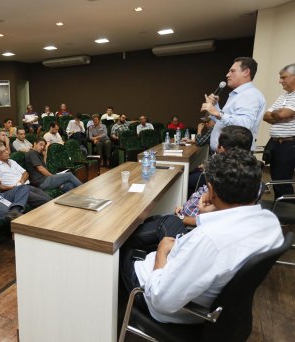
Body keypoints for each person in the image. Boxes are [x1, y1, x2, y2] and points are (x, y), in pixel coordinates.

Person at [119, 148, 283, 324]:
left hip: (152, 292)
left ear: (211, 191)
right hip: (194, 285)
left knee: (120, 250)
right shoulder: (270, 222)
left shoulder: (209, 240)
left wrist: (161, 253)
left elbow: (161, 301)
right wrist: (209, 214)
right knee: (165, 224)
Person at [181, 125, 253, 226]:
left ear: (222, 149)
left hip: (190, 222)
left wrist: (181, 218)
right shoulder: (248, 172)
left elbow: (212, 220)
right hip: (188, 213)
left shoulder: (228, 179)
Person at [201, 57, 265, 152]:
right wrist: (215, 106)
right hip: (227, 154)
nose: (227, 75)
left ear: (246, 72)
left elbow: (245, 125)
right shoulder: (238, 95)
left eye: (232, 71)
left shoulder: (250, 95)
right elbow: (224, 122)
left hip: (236, 157)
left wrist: (218, 113)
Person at [262, 63, 295, 199]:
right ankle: (279, 210)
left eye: (283, 77)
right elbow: (265, 116)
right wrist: (279, 113)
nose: (280, 81)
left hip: (289, 144)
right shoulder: (283, 96)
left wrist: (278, 114)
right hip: (276, 144)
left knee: (282, 181)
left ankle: (288, 215)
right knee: (276, 179)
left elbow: (282, 115)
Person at [0, 143, 51, 208]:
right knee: (45, 201)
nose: (7, 152)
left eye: (6, 150)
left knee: (48, 197)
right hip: (13, 191)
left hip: (26, 186)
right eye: (3, 152)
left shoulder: (12, 161)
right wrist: (14, 187)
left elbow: (26, 173)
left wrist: (22, 181)